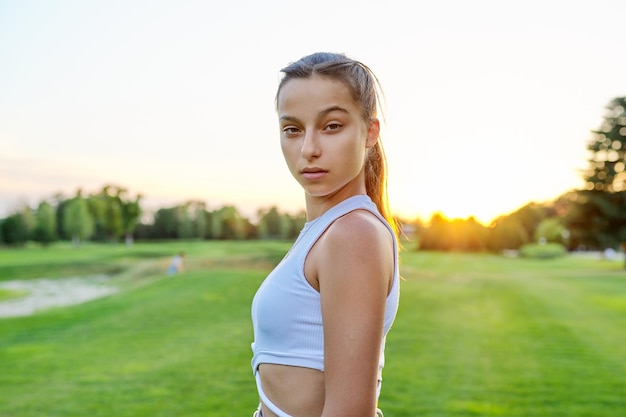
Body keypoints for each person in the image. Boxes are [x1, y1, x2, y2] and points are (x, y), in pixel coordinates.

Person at [251, 52, 400, 417]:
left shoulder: (354, 234)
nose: (308, 149)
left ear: (370, 132)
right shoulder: (329, 230)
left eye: (332, 126)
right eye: (293, 129)